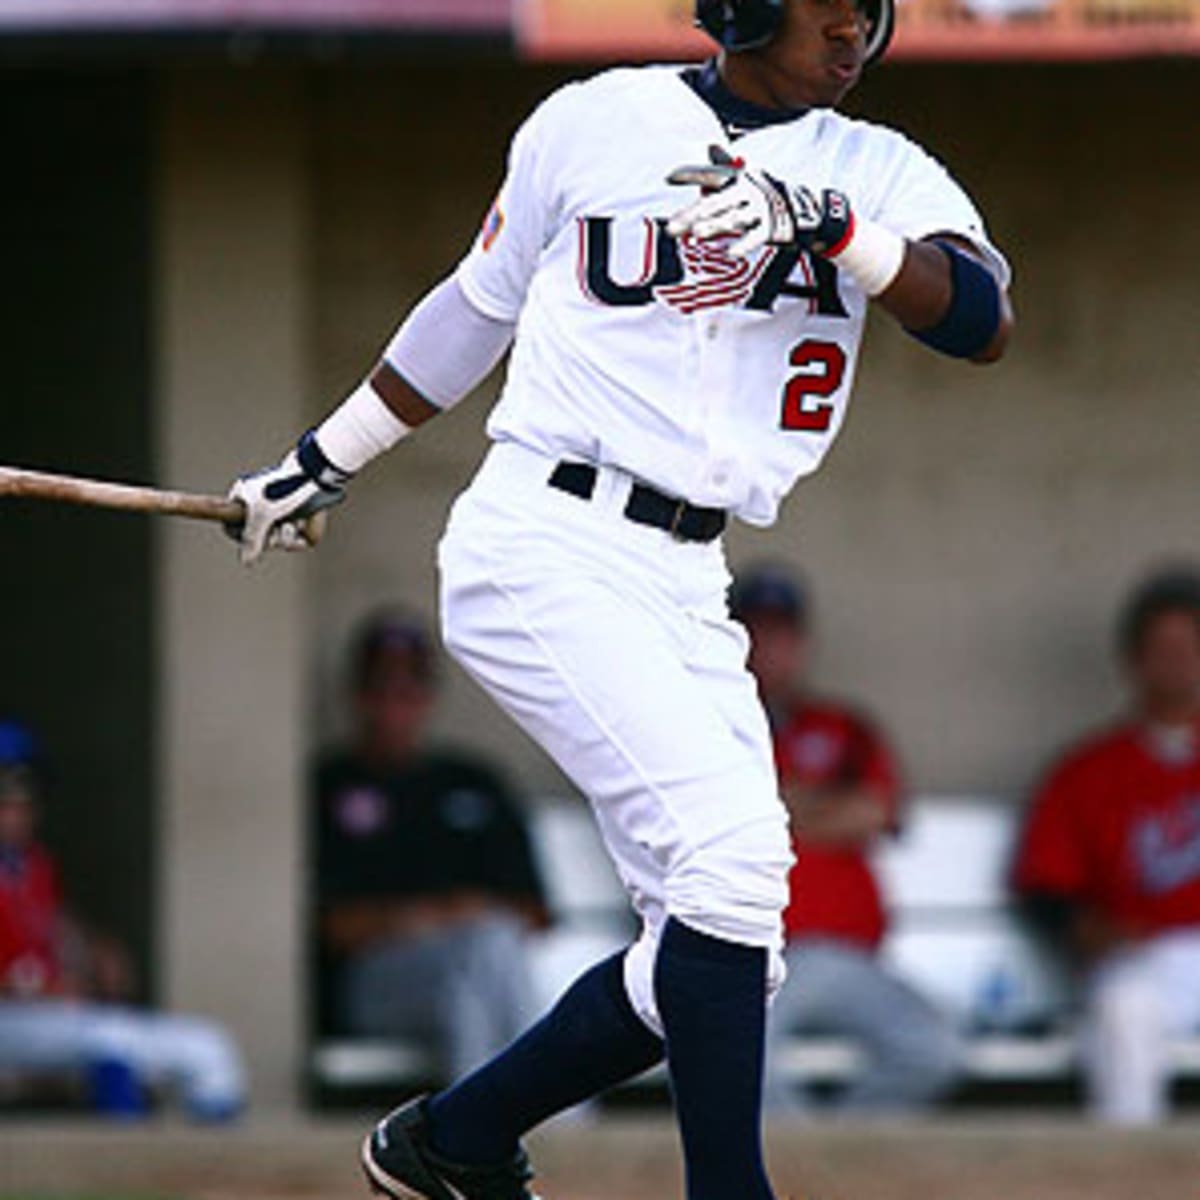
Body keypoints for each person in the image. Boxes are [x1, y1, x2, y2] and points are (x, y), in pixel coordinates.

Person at [228, 0, 1012, 1193]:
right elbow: (474, 309)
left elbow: (979, 320)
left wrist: (835, 230)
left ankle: (457, 1139)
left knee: (728, 946)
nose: (856, 32)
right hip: (546, 535)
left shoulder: (878, 167)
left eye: (871, 11)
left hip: (691, 575)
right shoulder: (596, 119)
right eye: (830, 9)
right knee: (730, 866)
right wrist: (325, 454)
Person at [731, 564, 960, 1114]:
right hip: (754, 956)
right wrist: (818, 804)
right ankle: (793, 1173)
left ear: (803, 642)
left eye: (782, 633)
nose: (771, 648)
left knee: (934, 1048)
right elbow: (719, 820)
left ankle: (834, 1169)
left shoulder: (843, 726)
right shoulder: (709, 721)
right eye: (757, 632)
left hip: (853, 955)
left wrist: (777, 806)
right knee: (736, 1051)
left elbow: (874, 811)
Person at [313, 610, 549, 1082]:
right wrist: (436, 917)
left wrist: (469, 918)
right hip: (376, 983)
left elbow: (536, 914)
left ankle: (506, 1136)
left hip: (480, 971)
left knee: (484, 961)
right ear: (357, 697)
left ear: (427, 698)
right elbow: (335, 928)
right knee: (475, 965)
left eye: (408, 692)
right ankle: (506, 1134)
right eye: (380, 690)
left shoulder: (473, 781)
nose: (393, 707)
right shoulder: (330, 785)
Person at [1013, 568, 1200, 1126]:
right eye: (1163, 648)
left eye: (1189, 646)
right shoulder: (1088, 771)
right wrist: (1087, 928)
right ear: (1134, 660)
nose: (1177, 661)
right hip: (1144, 958)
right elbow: (1046, 887)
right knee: (1124, 1008)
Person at [0, 719, 246, 1120]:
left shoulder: (32, 866)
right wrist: (42, 987)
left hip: (45, 1019)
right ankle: (118, 1161)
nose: (17, 810)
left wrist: (92, 950)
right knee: (109, 1044)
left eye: (23, 796)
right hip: (12, 1019)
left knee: (208, 1047)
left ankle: (213, 1177)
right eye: (6, 794)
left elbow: (54, 936)